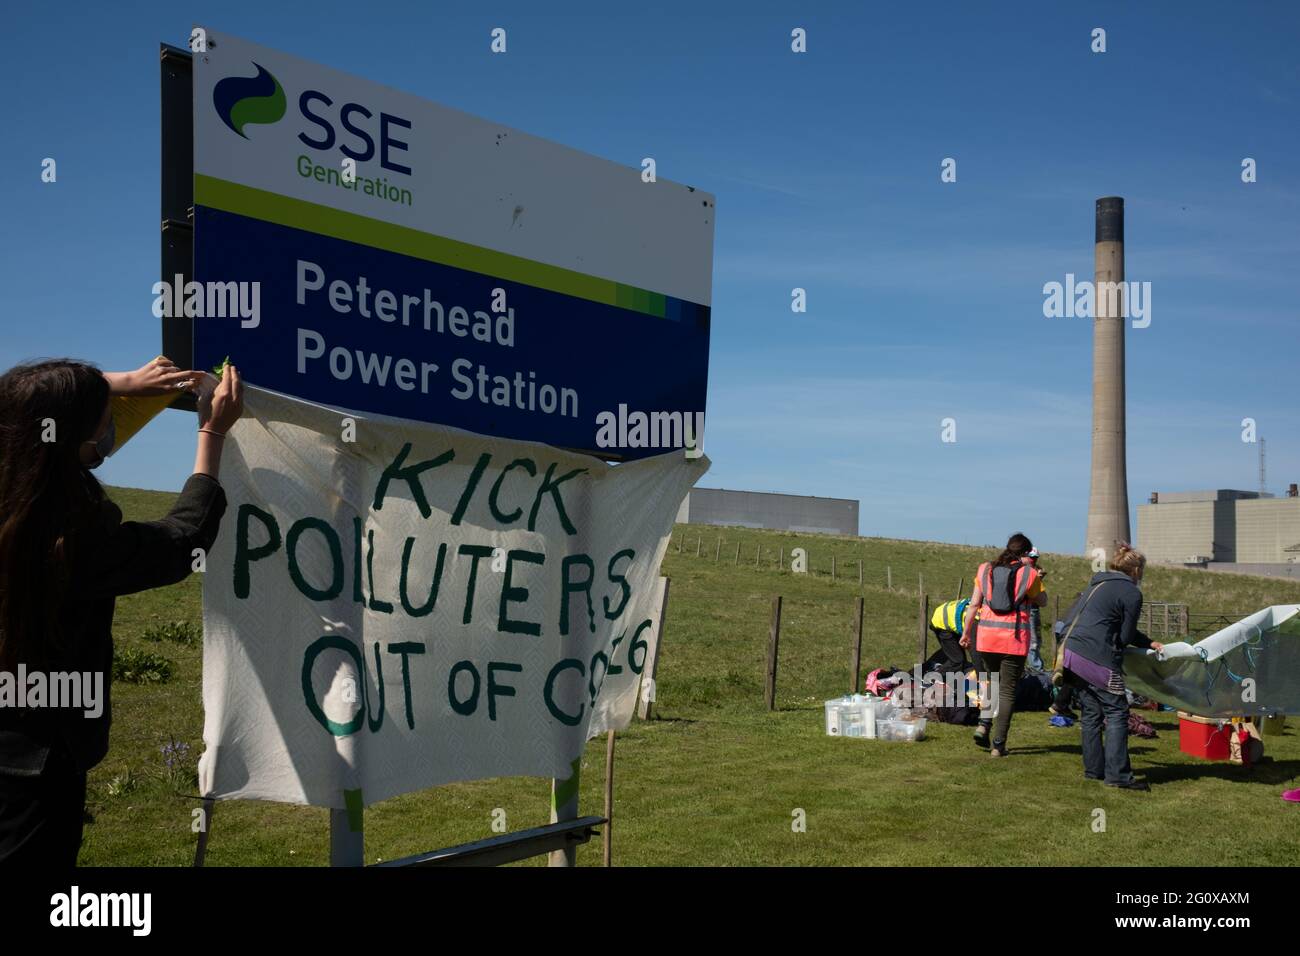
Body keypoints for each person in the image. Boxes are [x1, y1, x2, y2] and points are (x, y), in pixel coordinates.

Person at [0, 357, 244, 865]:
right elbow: (181, 543)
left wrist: (119, 384)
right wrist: (211, 432)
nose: (113, 423)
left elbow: (17, 405)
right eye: (102, 418)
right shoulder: (69, 538)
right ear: (72, 444)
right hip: (36, 766)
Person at [1059, 543, 1163, 791]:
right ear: (1136, 570)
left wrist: (1148, 641)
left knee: (1092, 713)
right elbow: (1125, 636)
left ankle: (1093, 770)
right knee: (1117, 713)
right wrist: (1141, 645)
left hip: (1072, 653)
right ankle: (1117, 775)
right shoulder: (1131, 592)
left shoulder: (1098, 584)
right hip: (1097, 656)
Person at [959, 532, 1047, 757]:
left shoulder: (984, 569)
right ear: (1026, 553)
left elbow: (973, 604)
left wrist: (967, 632)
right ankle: (998, 745)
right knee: (1007, 692)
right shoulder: (1029, 574)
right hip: (1013, 641)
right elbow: (1043, 601)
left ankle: (983, 724)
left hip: (986, 638)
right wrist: (1036, 581)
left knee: (991, 683)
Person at [929, 597, 971, 669]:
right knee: (957, 662)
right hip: (942, 622)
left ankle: (929, 667)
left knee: (959, 659)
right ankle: (933, 677)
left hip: (949, 619)